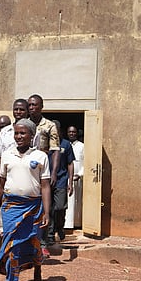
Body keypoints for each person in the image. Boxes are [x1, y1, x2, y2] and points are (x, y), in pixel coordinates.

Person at [0, 118, 51, 281]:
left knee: (34, 243)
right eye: (16, 133)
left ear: (32, 136)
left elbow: (46, 186)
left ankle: (37, 271)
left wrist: (47, 212)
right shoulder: (7, 155)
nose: (19, 136)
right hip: (11, 208)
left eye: (23, 133)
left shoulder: (41, 157)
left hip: (33, 208)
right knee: (12, 249)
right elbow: (1, 183)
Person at [27, 95, 60, 259]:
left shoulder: (49, 125)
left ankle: (45, 242)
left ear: (41, 107)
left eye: (35, 105)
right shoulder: (23, 124)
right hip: (27, 170)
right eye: (30, 105)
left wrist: (53, 172)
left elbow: (55, 151)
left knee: (47, 207)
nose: (32, 108)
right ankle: (29, 241)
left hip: (43, 169)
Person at [45, 123, 74, 244]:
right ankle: (50, 234)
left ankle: (60, 226)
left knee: (60, 207)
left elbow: (70, 163)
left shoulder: (66, 144)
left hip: (61, 180)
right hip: (46, 180)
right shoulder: (45, 145)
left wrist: (70, 182)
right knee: (49, 208)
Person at [0, 99, 28, 178]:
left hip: (26, 176)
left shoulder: (33, 131)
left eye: (22, 109)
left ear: (27, 111)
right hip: (6, 176)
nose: (18, 112)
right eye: (16, 109)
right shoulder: (5, 132)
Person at [64, 125, 85, 229]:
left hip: (78, 178)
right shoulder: (65, 145)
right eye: (70, 132)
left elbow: (86, 162)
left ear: (77, 133)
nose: (71, 134)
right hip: (66, 177)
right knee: (67, 201)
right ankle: (67, 224)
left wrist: (80, 174)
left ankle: (76, 223)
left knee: (77, 202)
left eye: (73, 132)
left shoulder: (82, 146)